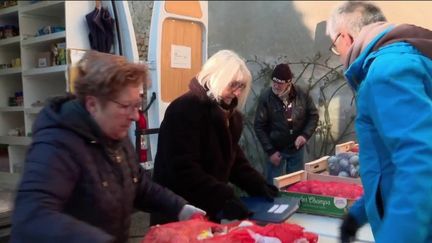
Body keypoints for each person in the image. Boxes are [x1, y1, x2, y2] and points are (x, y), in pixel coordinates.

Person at [10, 51, 205, 243]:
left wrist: (179, 207)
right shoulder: (57, 144)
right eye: (125, 106)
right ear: (93, 104)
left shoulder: (114, 135)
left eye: (137, 105)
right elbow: (33, 216)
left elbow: (138, 185)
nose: (135, 116)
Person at [326, 2, 432, 242]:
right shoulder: (407, 60)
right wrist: (359, 213)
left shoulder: (386, 72)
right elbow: (390, 166)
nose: (338, 54)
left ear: (346, 38)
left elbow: (421, 159)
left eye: (334, 46)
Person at [151, 49, 279, 225]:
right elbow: (183, 170)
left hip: (206, 209)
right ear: (215, 78)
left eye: (241, 86)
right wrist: (224, 198)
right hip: (178, 211)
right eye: (233, 84)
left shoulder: (231, 117)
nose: (237, 93)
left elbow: (235, 161)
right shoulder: (185, 109)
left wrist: (258, 185)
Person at [254, 63, 319, 184]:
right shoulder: (266, 97)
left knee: (296, 185)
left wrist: (304, 135)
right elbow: (259, 126)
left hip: (296, 148)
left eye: (280, 83)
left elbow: (313, 116)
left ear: (288, 83)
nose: (276, 85)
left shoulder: (302, 94)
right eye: (274, 81)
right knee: (273, 186)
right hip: (275, 149)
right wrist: (270, 151)